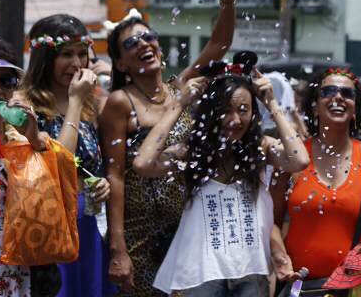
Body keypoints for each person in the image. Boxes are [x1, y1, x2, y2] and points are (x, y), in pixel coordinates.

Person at [100, 0, 238, 296]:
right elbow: (114, 175)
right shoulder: (121, 102)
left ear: (159, 48)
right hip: (141, 233)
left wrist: (229, 0)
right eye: (132, 44)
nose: (144, 44)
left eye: (148, 37)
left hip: (188, 226)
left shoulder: (181, 88)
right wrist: (118, 249)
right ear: (121, 63)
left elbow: (217, 47)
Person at [132, 63, 309, 295]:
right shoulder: (191, 153)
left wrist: (272, 104)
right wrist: (179, 104)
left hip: (251, 272)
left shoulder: (260, 149)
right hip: (201, 274)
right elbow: (142, 164)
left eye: (243, 109)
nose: (234, 119)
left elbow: (300, 160)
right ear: (211, 112)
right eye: (224, 109)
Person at [271, 68, 361, 297]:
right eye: (328, 91)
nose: (338, 97)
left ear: (355, 110)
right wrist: (281, 259)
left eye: (346, 93)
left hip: (359, 285)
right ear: (314, 105)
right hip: (301, 285)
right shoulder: (294, 157)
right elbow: (271, 222)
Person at [18, 15, 114, 297]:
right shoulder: (26, 104)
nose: (76, 63)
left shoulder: (89, 106)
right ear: (44, 56)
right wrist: (74, 101)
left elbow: (88, 166)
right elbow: (59, 163)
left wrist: (101, 184)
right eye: (65, 54)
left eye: (81, 54)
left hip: (87, 222)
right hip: (48, 226)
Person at [0, 36, 49, 296]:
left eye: (7, 81)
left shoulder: (26, 143)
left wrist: (34, 143)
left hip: (14, 280)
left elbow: (48, 210)